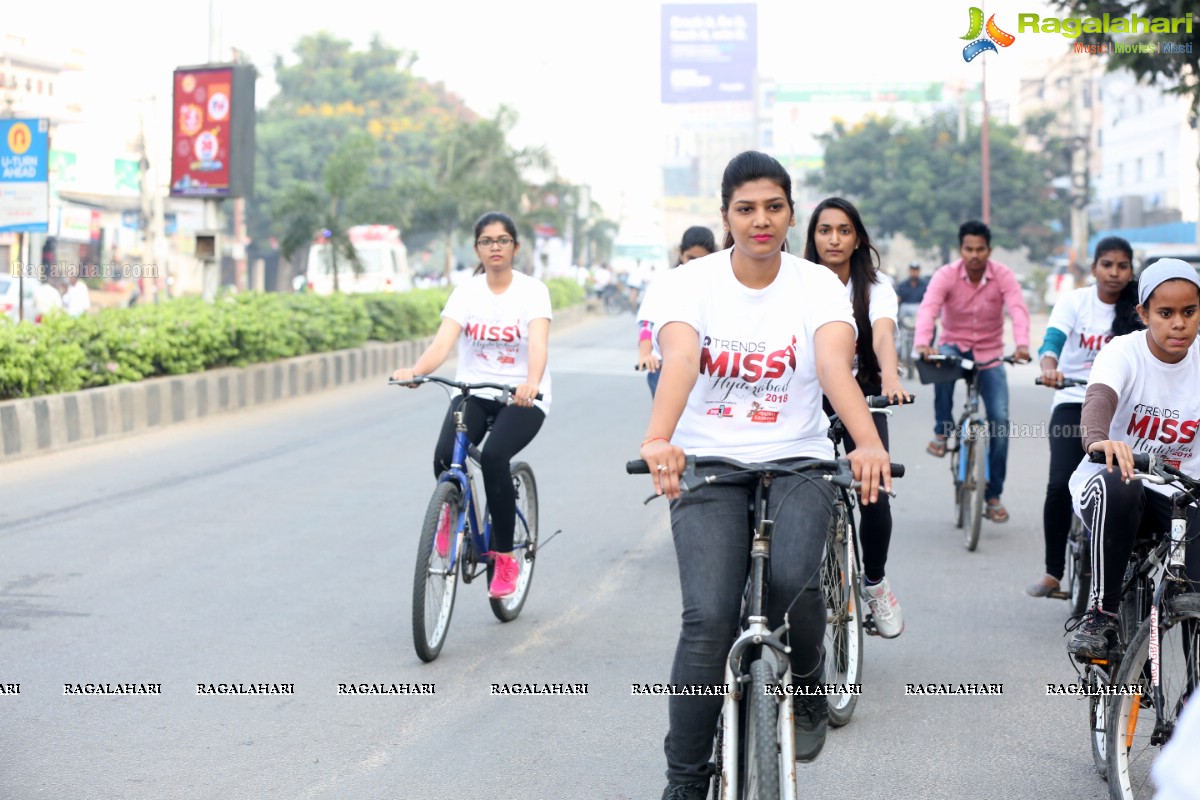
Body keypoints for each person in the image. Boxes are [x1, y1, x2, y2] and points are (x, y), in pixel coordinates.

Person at [640, 152, 891, 799]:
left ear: (790, 212)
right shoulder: (687, 284)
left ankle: (807, 689)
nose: (760, 221)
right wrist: (659, 439)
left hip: (799, 460)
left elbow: (836, 367)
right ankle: (685, 783)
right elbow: (681, 360)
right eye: (745, 208)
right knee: (708, 619)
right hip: (709, 467)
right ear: (725, 215)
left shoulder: (817, 286)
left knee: (793, 582)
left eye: (773, 207)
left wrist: (866, 444)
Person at [390, 211, 551, 599]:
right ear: (477, 247)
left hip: (521, 397)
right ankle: (450, 511)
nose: (495, 247)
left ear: (515, 246)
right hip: (473, 390)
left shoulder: (532, 291)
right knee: (446, 456)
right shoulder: (467, 292)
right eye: (486, 241)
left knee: (495, 458)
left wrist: (530, 383)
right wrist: (416, 371)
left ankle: (504, 556)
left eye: (502, 240)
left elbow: (537, 344)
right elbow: (443, 344)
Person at [1066, 259, 1200, 658]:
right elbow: (1099, 401)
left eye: (1189, 312)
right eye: (1165, 313)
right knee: (1117, 482)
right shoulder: (1122, 351)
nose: (1178, 324)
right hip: (1115, 486)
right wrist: (1099, 441)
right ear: (1143, 314)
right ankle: (1101, 616)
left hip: (1182, 494)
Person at [804, 197, 908, 638]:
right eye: (825, 229)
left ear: (858, 238)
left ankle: (875, 583)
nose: (834, 238)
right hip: (805, 395)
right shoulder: (797, 281)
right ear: (812, 236)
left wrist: (888, 378)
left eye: (844, 230)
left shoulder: (877, 286)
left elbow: (882, 333)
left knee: (875, 491)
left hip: (861, 396)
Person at [1026, 237, 1141, 597]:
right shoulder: (1075, 301)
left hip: (1120, 407)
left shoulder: (1137, 307)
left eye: (1122, 266)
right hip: (1073, 399)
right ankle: (1053, 572)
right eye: (1107, 264)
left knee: (1125, 483)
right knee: (1060, 483)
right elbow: (1052, 341)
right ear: (1094, 268)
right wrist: (1049, 367)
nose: (1114, 272)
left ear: (1130, 270)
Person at [915, 220, 1031, 523]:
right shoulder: (946, 275)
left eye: (981, 249)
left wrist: (1022, 345)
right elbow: (929, 308)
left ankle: (993, 496)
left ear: (989, 250)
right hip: (954, 346)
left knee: (1001, 421)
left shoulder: (1003, 276)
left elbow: (1018, 308)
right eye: (969, 249)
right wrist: (924, 343)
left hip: (990, 354)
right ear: (961, 250)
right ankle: (943, 430)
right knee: (940, 362)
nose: (975, 255)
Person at [636, 226, 717, 397]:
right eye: (691, 258)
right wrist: (645, 354)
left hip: (708, 374)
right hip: (665, 369)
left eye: (703, 259)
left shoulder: (721, 286)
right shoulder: (665, 281)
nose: (695, 264)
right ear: (680, 253)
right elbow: (647, 322)